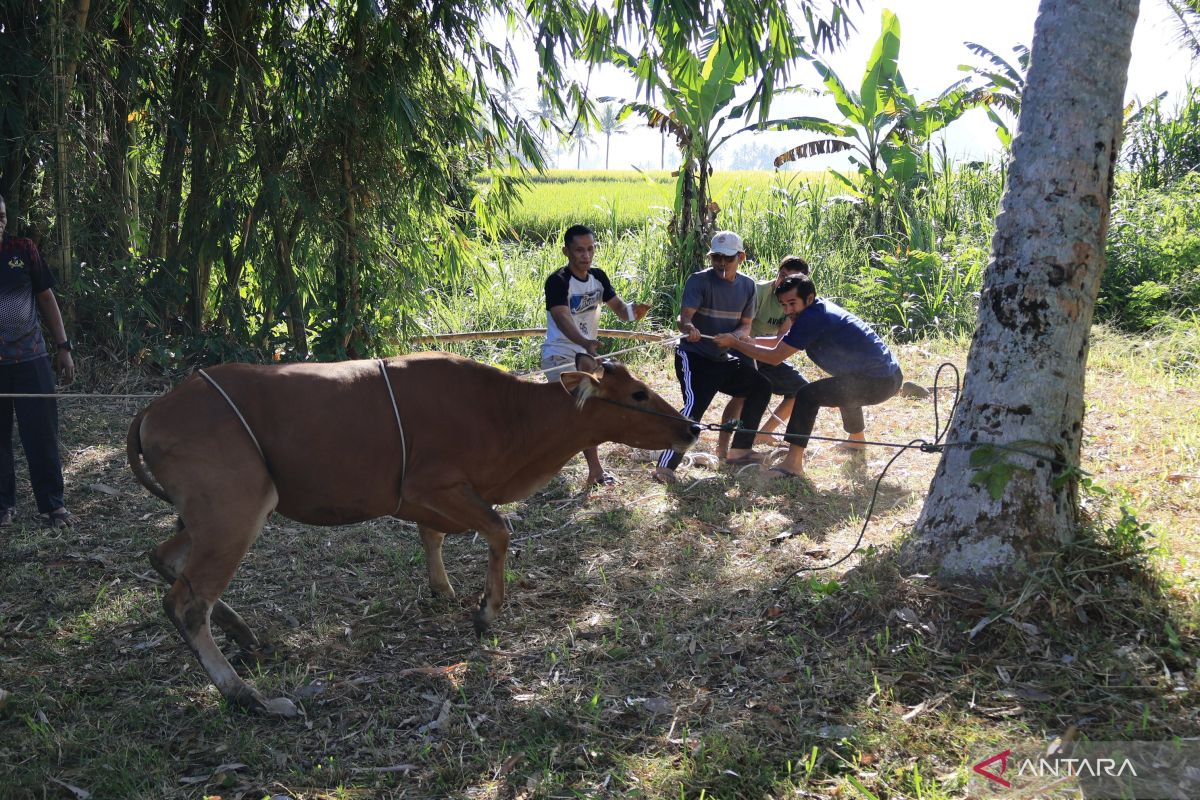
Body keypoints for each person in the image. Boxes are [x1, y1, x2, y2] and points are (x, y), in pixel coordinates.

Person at [713, 274, 902, 479]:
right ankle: (856, 439)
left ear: (809, 298)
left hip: (879, 381)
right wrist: (750, 341)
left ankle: (793, 464)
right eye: (783, 305)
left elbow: (776, 357)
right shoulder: (815, 311)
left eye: (792, 303)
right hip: (888, 376)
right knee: (844, 385)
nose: (787, 311)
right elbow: (782, 341)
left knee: (807, 395)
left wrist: (735, 344)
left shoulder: (813, 318)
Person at [652, 231, 772, 484]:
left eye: (727, 258)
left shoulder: (748, 286)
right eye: (716, 257)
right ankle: (665, 467)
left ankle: (740, 450)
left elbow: (746, 327)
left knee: (760, 386)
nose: (720, 263)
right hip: (693, 356)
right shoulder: (699, 281)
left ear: (741, 257)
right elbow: (684, 319)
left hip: (723, 357)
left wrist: (733, 338)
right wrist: (690, 329)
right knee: (694, 407)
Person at [541, 224, 649, 488]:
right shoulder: (558, 281)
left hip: (585, 354)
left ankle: (548, 462)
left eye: (590, 249)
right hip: (561, 355)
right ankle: (594, 471)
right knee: (582, 408)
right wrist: (584, 343)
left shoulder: (598, 277)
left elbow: (621, 309)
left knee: (572, 413)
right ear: (566, 251)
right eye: (579, 250)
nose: (585, 255)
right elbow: (562, 318)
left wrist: (636, 312)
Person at [0, 195, 77, 527]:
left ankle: (51, 505)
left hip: (31, 359)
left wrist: (63, 346)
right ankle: (3, 505)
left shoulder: (23, 249)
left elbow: (46, 297)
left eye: (1, 215)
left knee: (42, 435)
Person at [716, 255, 811, 458]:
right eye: (782, 276)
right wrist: (746, 341)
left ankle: (764, 434)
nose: (784, 282)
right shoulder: (758, 291)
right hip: (738, 348)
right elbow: (740, 326)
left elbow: (781, 339)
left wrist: (757, 343)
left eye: (791, 279)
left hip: (762, 351)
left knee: (801, 389)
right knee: (742, 395)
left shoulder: (796, 303)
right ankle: (722, 446)